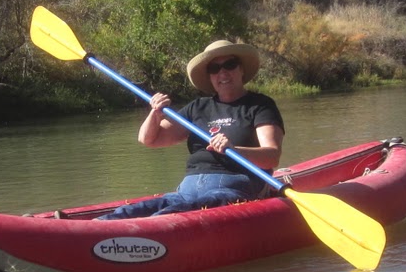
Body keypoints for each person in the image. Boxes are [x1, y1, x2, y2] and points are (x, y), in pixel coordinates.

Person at [98, 39, 284, 219]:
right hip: (186, 191)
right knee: (128, 213)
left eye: (230, 64)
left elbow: (272, 157)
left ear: (241, 69)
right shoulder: (198, 107)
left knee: (167, 216)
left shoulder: (260, 105)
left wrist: (234, 150)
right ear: (210, 76)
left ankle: (153, 229)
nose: (223, 73)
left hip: (233, 189)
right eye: (214, 68)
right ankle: (99, 228)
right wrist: (155, 114)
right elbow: (149, 139)